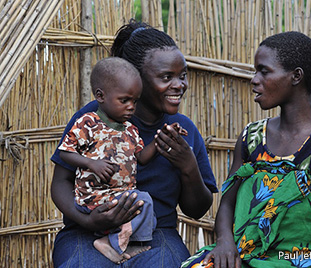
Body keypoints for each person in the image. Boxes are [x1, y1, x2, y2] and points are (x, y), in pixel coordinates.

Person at [51, 20, 218, 268]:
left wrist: (188, 167)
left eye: (182, 76)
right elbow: (60, 183)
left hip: (156, 234)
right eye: (166, 77)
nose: (179, 85)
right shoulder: (91, 118)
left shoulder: (182, 129)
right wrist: (87, 221)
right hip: (86, 232)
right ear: (136, 78)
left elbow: (197, 209)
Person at [181, 31, 311, 268]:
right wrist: (224, 243)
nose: (254, 79)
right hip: (240, 256)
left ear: (296, 76)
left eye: (264, 71)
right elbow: (227, 204)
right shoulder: (252, 138)